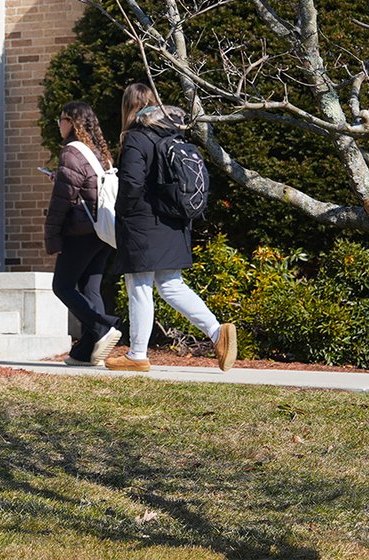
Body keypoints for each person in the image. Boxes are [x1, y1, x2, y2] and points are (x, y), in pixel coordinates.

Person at [105, 83, 237, 372]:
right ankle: (218, 333)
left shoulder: (136, 139)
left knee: (139, 285)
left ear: (128, 107)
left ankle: (137, 355)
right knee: (170, 285)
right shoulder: (172, 134)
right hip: (173, 221)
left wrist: (122, 215)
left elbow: (131, 184)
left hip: (142, 223)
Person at [44, 100, 123, 366]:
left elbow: (62, 202)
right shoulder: (99, 153)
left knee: (62, 286)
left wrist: (52, 236)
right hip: (102, 231)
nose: (59, 124)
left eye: (61, 118)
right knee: (90, 289)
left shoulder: (71, 152)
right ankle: (87, 353)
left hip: (79, 232)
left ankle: (103, 327)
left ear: (71, 122)